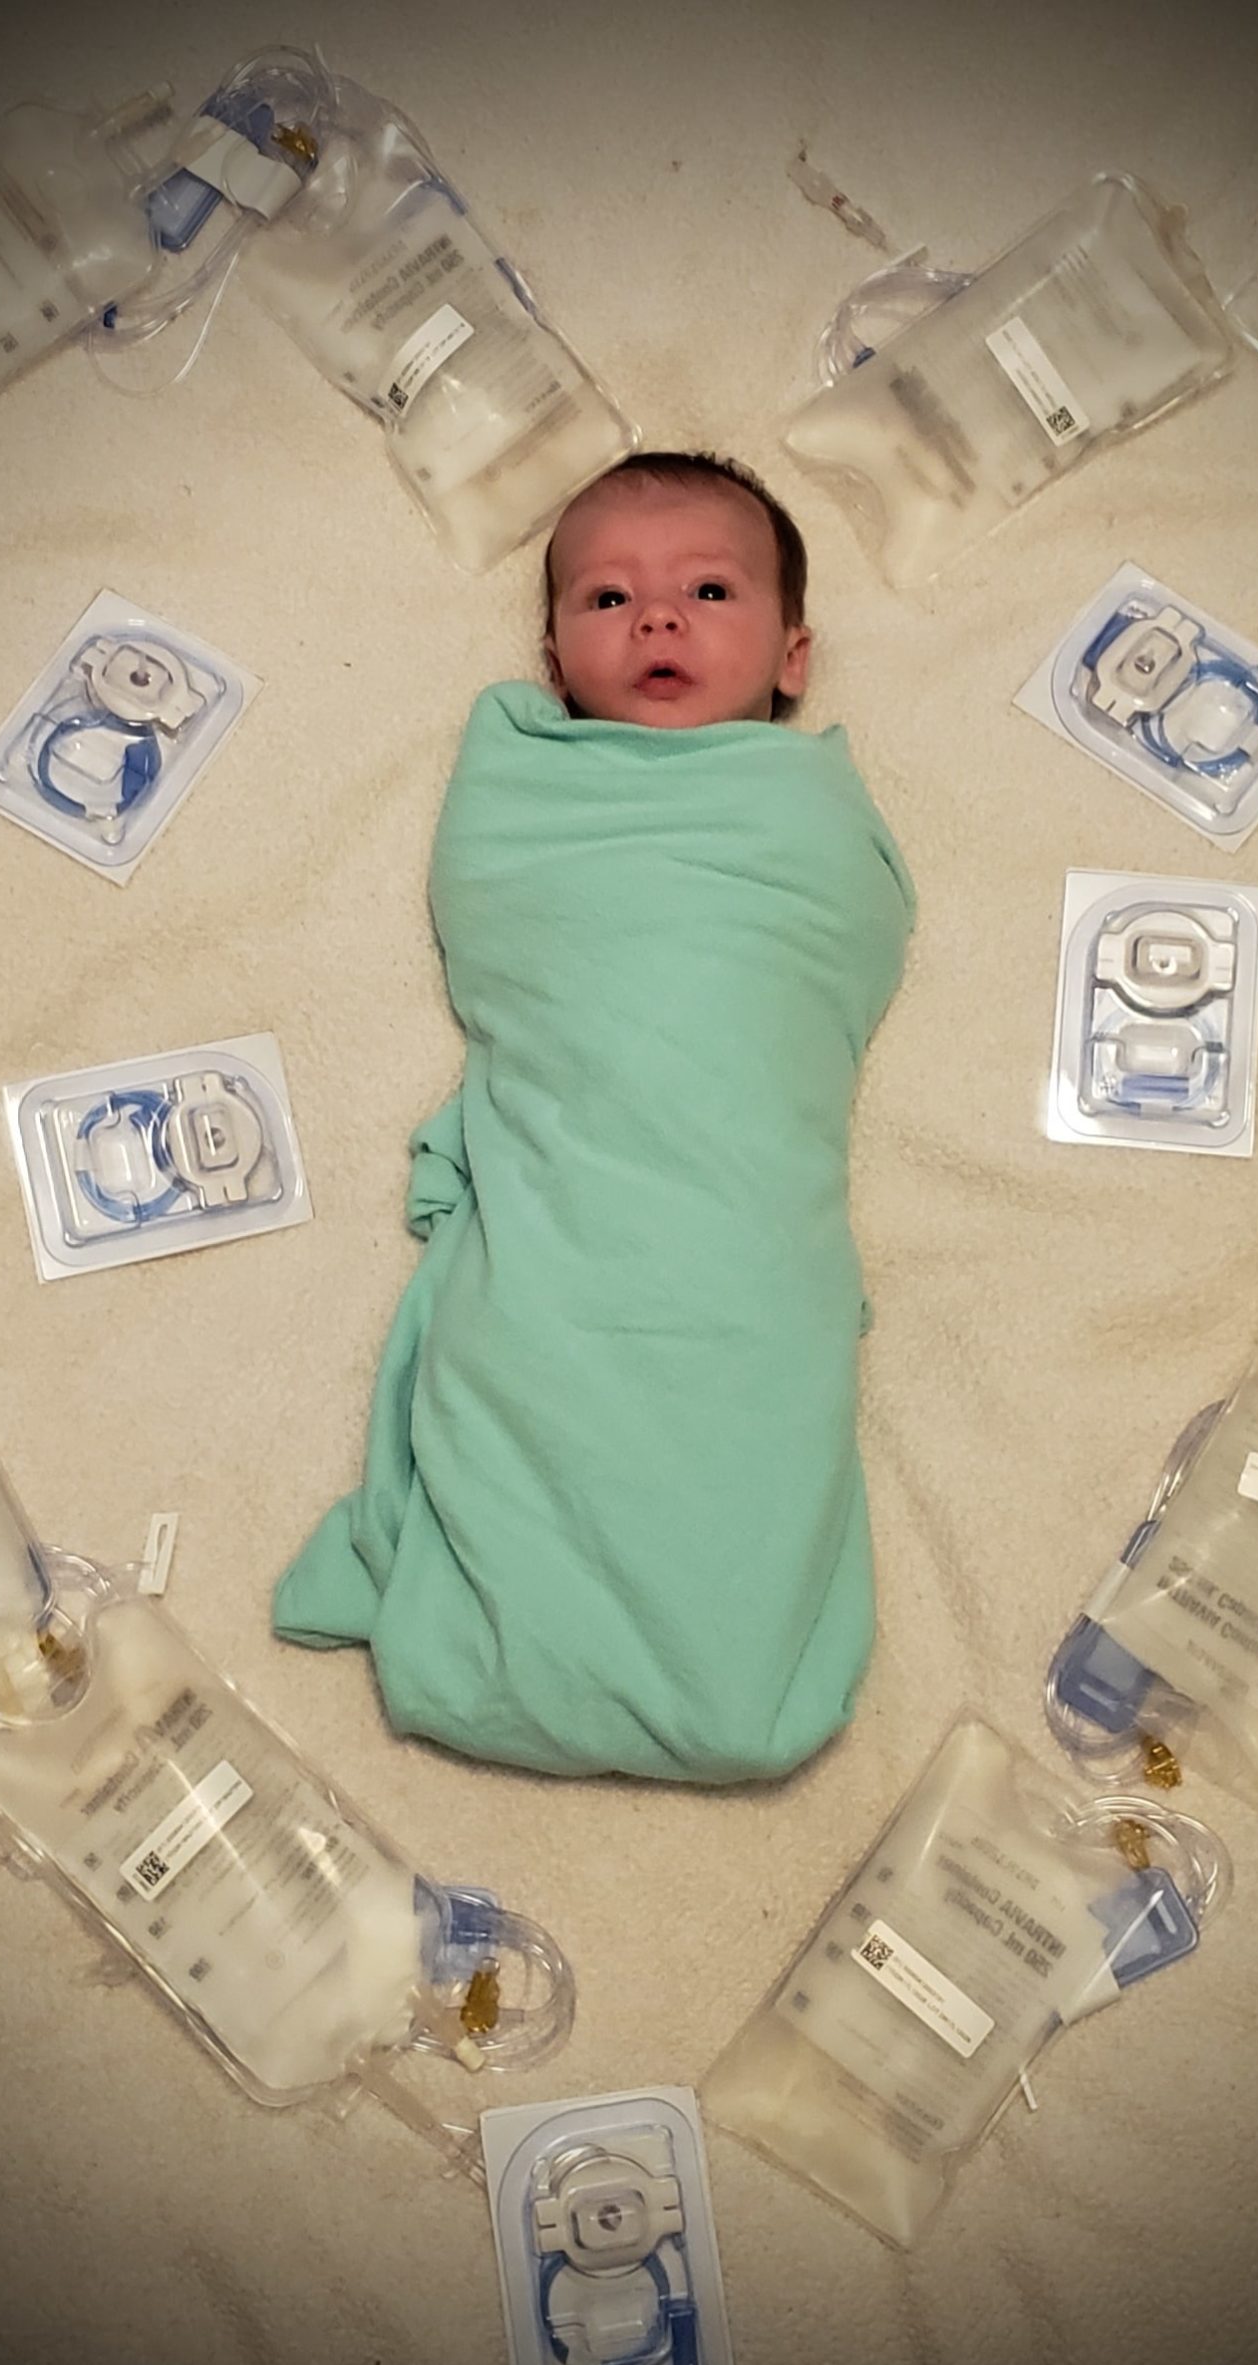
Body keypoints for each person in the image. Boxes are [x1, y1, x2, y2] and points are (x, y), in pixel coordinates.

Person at [273, 452, 915, 1782]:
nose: (658, 618)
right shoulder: (527, 791)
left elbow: (840, 942)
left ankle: (720, 1660)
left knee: (741, 1405)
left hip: (743, 1225)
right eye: (608, 595)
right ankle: (510, 1626)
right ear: (556, 653)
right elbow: (512, 929)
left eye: (709, 589)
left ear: (795, 655)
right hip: (571, 1208)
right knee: (532, 1360)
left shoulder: (796, 810)